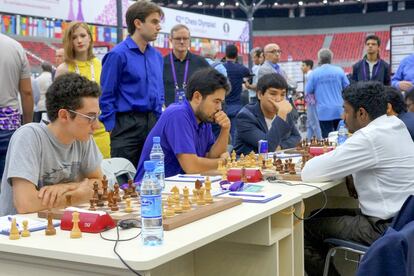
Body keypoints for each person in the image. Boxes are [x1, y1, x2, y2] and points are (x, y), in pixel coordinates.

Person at [301, 81, 414, 276]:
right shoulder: (396, 125)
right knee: (314, 215)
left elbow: (309, 172)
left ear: (361, 113)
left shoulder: (369, 137)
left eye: (345, 110)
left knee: (303, 229)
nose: (342, 117)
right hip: (403, 219)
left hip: (382, 227)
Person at [0, 73, 103, 216]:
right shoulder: (29, 137)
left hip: (58, 226)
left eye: (97, 116)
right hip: (20, 232)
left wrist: (66, 187)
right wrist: (79, 195)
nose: (97, 126)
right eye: (90, 117)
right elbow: (26, 204)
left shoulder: (83, 137)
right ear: (64, 116)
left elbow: (100, 184)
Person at [134, 68, 230, 181]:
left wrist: (225, 129)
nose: (219, 108)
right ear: (197, 97)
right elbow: (191, 166)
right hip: (152, 190)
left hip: (179, 187)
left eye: (221, 103)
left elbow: (210, 157)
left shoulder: (204, 118)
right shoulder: (178, 114)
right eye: (216, 101)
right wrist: (222, 162)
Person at [100, 0, 164, 167]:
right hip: (126, 125)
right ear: (138, 23)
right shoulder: (117, 55)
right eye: (154, 21)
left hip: (153, 124)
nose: (159, 27)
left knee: (153, 177)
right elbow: (106, 94)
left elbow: (159, 92)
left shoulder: (157, 57)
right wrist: (111, 126)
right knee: (124, 180)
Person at [56, 21, 110, 159]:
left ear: (90, 37)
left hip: (101, 131)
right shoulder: (64, 69)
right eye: (74, 37)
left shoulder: (99, 64)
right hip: (76, 134)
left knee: (104, 176)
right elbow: (57, 105)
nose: (79, 40)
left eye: (82, 35)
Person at [234, 73, 301, 155]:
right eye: (273, 94)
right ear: (259, 95)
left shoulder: (284, 111)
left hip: (276, 163)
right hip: (249, 165)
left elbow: (297, 137)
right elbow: (267, 147)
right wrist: (281, 114)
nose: (278, 99)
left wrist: (280, 146)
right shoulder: (245, 116)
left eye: (283, 94)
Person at [0, 33, 33, 181]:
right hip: (8, 122)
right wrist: (27, 124)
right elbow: (26, 92)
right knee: (8, 182)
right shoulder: (15, 47)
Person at [306, 48, 350, 137]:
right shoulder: (339, 70)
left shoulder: (315, 73)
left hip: (323, 111)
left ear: (319, 59)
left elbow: (308, 91)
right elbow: (347, 87)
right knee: (341, 136)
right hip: (339, 110)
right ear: (331, 58)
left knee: (327, 138)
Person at [163, 24, 210, 106]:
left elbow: (211, 87)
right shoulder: (162, 63)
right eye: (178, 38)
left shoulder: (201, 63)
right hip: (168, 114)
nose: (182, 42)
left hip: (193, 115)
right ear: (171, 40)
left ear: (189, 40)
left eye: (185, 38)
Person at [223, 44, 251, 143]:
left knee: (222, 134)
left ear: (225, 54)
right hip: (236, 106)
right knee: (235, 134)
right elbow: (248, 74)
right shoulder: (241, 69)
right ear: (236, 55)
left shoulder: (221, 67)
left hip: (223, 106)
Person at [301, 59, 322, 140]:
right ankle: (308, 140)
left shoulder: (310, 75)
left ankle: (320, 140)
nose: (301, 68)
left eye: (303, 65)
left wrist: (309, 103)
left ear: (308, 66)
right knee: (310, 123)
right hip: (311, 102)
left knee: (314, 123)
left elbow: (311, 90)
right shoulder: (310, 75)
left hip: (311, 102)